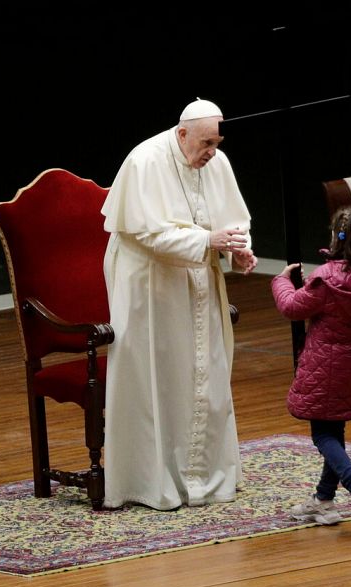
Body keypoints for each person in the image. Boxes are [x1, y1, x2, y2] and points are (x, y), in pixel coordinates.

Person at [100, 98, 258, 510]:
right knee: (158, 377)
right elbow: (149, 234)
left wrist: (239, 250)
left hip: (197, 278)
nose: (211, 152)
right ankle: (151, 482)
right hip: (148, 285)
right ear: (182, 133)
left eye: (216, 142)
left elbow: (234, 219)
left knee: (203, 374)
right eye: (205, 143)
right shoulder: (145, 161)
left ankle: (204, 477)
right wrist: (208, 241)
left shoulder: (215, 161)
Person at [271, 208, 351, 533]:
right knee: (335, 431)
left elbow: (291, 307)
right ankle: (324, 501)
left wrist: (281, 280)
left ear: (341, 238)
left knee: (323, 434)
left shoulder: (328, 280)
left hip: (325, 364)